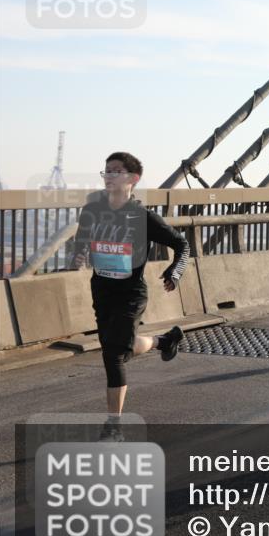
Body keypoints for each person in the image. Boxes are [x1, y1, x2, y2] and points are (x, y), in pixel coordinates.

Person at [73, 152, 188, 441]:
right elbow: (83, 236)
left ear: (132, 179)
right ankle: (164, 341)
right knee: (118, 349)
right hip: (101, 290)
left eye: (116, 171)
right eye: (106, 171)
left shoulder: (143, 217)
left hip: (130, 293)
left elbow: (182, 245)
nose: (109, 176)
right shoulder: (92, 210)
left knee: (113, 355)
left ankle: (114, 427)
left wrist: (174, 272)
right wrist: (79, 253)